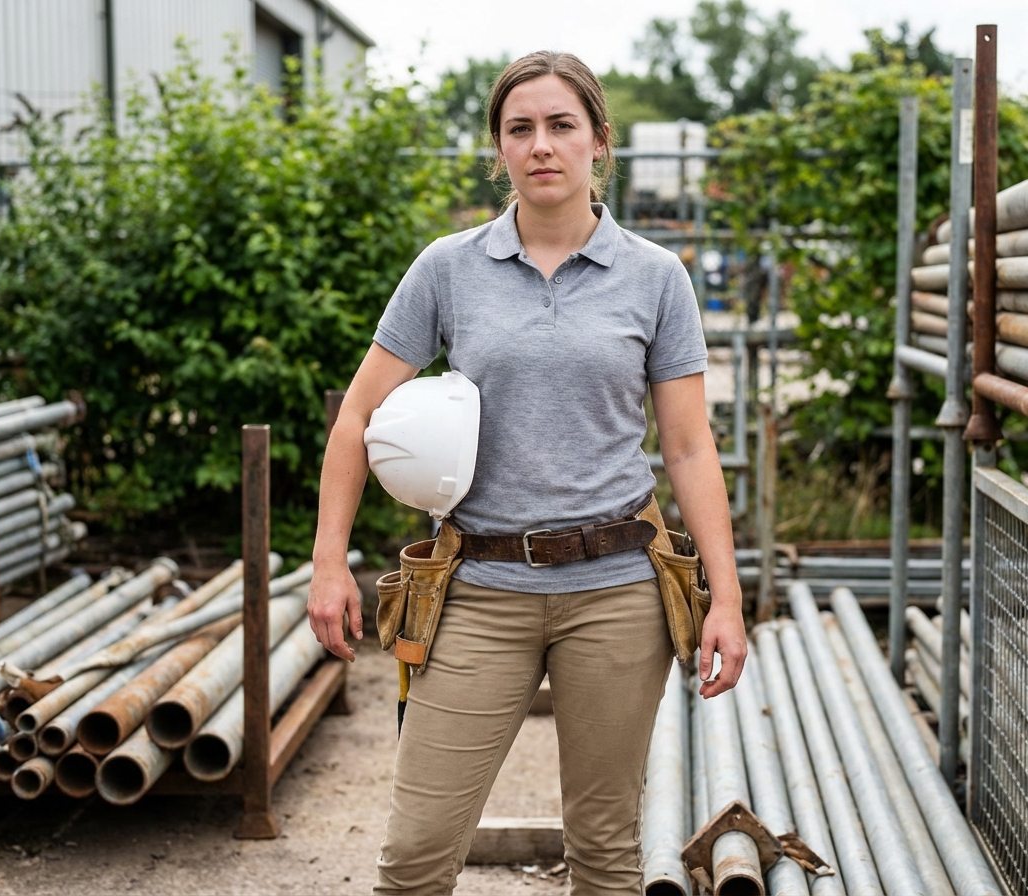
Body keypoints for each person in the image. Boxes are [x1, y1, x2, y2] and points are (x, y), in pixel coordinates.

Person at [308, 50, 747, 894]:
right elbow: (356, 418)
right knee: (414, 856)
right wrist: (329, 563)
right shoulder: (448, 269)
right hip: (476, 590)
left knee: (606, 854)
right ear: (499, 149)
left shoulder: (657, 277)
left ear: (598, 142)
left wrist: (725, 598)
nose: (541, 144)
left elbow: (690, 450)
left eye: (560, 125)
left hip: (618, 592)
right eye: (520, 129)